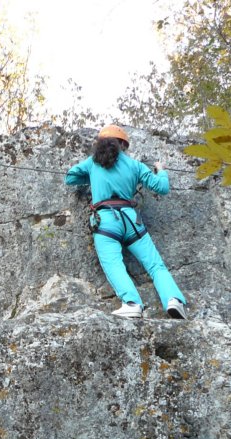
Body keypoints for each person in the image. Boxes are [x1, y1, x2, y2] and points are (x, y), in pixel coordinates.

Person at [65, 124, 187, 320]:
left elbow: (70, 177)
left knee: (113, 263)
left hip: (106, 221)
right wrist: (161, 171)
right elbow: (162, 187)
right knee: (155, 265)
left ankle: (132, 303)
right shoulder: (135, 166)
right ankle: (174, 300)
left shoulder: (93, 163)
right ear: (123, 145)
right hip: (131, 220)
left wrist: (91, 176)